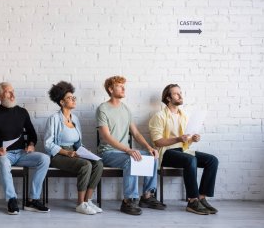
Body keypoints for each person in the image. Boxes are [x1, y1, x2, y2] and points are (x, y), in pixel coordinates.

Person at [96, 76, 166, 215]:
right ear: (111, 89)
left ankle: (147, 196)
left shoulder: (126, 109)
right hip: (108, 153)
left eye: (124, 86)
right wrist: (128, 150)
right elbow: (106, 137)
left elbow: (136, 133)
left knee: (152, 157)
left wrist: (149, 147)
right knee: (131, 159)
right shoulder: (102, 109)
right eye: (119, 86)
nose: (123, 88)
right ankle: (129, 200)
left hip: (124, 152)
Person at [149, 84, 219, 215]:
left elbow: (186, 139)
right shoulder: (159, 116)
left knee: (212, 160)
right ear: (168, 98)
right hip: (166, 153)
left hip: (183, 151)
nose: (180, 96)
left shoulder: (184, 115)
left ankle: (201, 198)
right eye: (176, 94)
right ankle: (192, 201)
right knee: (190, 160)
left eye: (180, 93)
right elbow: (157, 141)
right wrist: (178, 139)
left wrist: (193, 138)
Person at [0, 82, 50, 215]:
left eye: (13, 91)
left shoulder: (22, 112)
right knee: (3, 161)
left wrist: (31, 145)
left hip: (21, 154)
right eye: (8, 92)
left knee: (44, 158)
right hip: (3, 155)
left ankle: (32, 199)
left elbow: (32, 134)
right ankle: (11, 199)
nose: (13, 95)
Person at [44, 81, 104, 215]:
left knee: (98, 164)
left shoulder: (75, 119)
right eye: (69, 98)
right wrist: (67, 152)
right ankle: (80, 203)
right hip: (58, 155)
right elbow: (48, 144)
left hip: (73, 153)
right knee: (86, 165)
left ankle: (88, 200)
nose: (73, 100)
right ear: (61, 102)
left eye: (73, 97)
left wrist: (84, 150)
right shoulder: (53, 119)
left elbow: (78, 143)